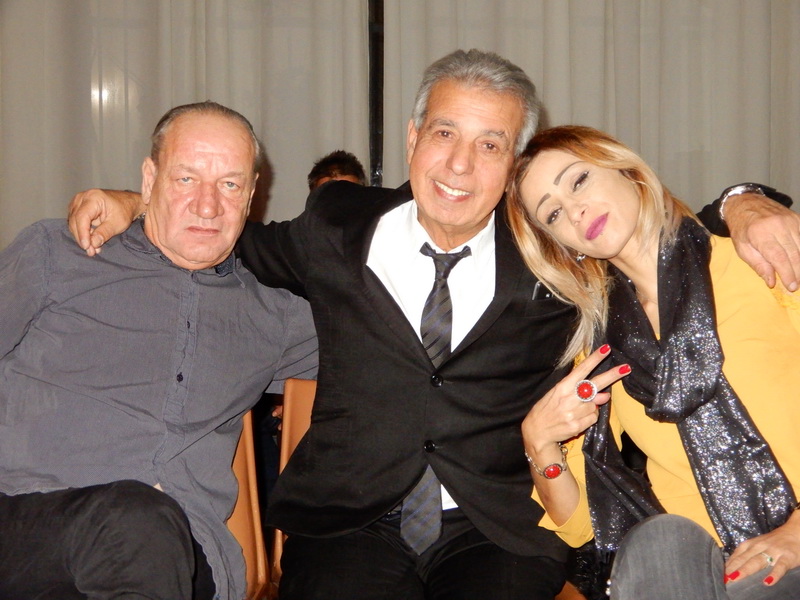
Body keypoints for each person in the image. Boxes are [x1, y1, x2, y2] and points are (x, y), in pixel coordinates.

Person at [67, 50, 800, 600]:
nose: (459, 163)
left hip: (497, 531)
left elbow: (654, 240)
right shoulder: (337, 223)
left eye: (491, 144)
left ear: (512, 167)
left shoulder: (552, 254)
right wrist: (137, 200)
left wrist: (743, 202)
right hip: (348, 522)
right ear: (414, 135)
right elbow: (223, 234)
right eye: (445, 132)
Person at [0, 101, 318, 600]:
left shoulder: (274, 315)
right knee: (134, 523)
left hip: (180, 553)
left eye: (229, 184)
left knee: (142, 529)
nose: (208, 206)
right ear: (149, 180)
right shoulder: (56, 254)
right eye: (186, 179)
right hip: (26, 525)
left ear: (252, 194)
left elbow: (390, 337)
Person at [505, 125, 800, 600]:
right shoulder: (602, 352)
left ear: (628, 171)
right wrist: (538, 443)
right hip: (698, 572)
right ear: (563, 244)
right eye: (553, 213)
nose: (575, 211)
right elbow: (579, 524)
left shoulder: (757, 259)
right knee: (658, 538)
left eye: (578, 180)